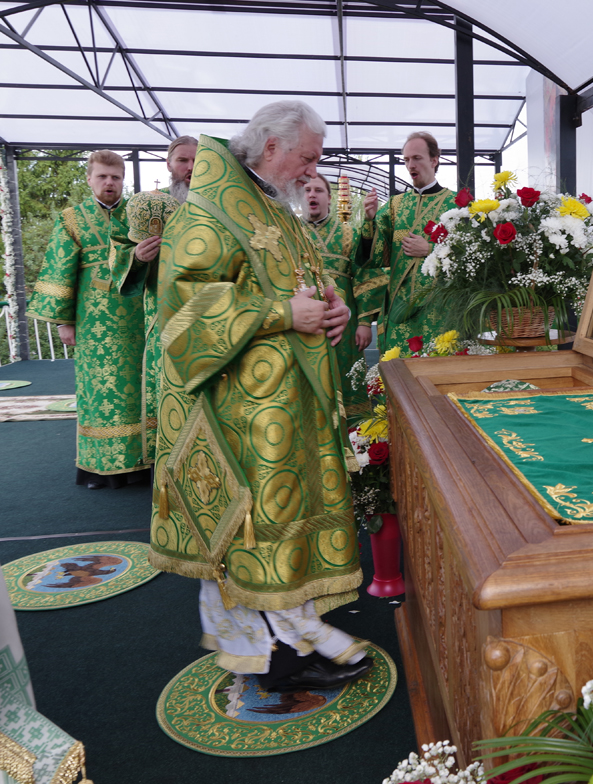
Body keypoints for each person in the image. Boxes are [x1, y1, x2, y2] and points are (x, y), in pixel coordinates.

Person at [151, 101, 371, 692]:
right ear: (271, 147)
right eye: (308, 157)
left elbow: (303, 283)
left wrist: (331, 310)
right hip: (239, 410)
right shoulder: (210, 211)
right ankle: (268, 649)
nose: (311, 170)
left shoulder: (274, 206)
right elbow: (183, 311)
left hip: (288, 400)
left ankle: (296, 627)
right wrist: (280, 313)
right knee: (257, 520)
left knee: (290, 513)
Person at [27, 150, 150, 490]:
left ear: (123, 180)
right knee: (99, 395)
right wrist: (64, 321)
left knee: (137, 391)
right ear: (89, 178)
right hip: (92, 324)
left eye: (116, 177)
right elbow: (59, 268)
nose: (109, 183)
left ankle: (141, 464)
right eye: (102, 177)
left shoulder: (138, 216)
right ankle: (99, 468)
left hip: (135, 319)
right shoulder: (72, 218)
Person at [109, 134, 198, 464]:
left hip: (212, 308)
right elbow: (118, 250)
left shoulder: (218, 203)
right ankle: (168, 462)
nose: (190, 167)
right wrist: (139, 257)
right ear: (169, 164)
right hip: (164, 309)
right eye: (182, 160)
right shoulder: (145, 206)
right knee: (168, 382)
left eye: (196, 161)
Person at [356, 131, 457, 351]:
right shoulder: (394, 206)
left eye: (417, 158)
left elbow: (471, 256)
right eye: (406, 160)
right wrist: (370, 219)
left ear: (434, 160)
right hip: (400, 311)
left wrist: (431, 249)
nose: (411, 165)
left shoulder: (456, 204)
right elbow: (372, 257)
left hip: (440, 311)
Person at [303, 173, 377, 419]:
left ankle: (357, 440)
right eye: (306, 190)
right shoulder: (291, 232)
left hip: (346, 324)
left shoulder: (348, 233)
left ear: (329, 198)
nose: (311, 194)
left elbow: (364, 276)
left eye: (318, 190)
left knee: (347, 379)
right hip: (304, 322)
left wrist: (365, 322)